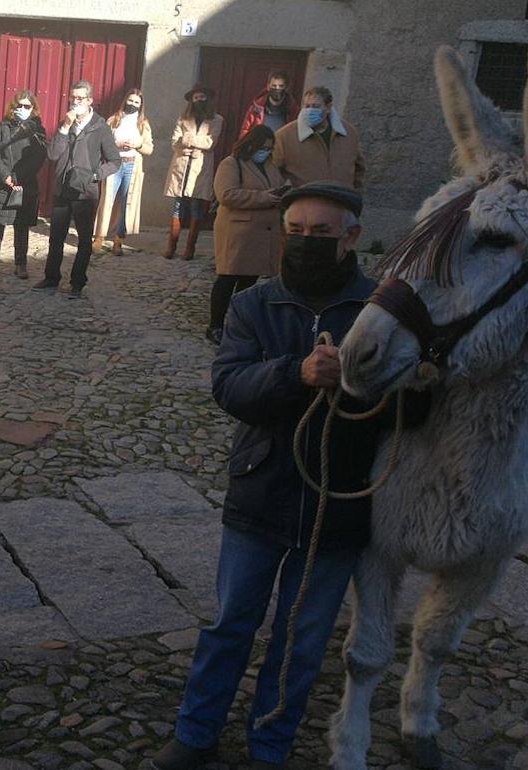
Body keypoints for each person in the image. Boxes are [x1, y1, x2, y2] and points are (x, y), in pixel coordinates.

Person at [148, 183, 380, 770]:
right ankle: (195, 735)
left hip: (338, 504)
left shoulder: (379, 312)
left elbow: (413, 410)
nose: (304, 243)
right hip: (261, 490)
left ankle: (269, 745)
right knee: (230, 624)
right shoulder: (254, 304)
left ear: (350, 237)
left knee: (300, 643)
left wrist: (377, 382)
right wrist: (295, 373)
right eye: (296, 232)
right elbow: (229, 386)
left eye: (320, 234)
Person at [32, 80, 120, 299]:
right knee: (56, 237)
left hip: (85, 192)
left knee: (83, 240)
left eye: (79, 98)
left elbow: (114, 161)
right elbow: (52, 155)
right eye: (72, 98)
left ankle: (77, 282)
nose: (74, 102)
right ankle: (51, 277)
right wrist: (63, 128)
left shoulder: (100, 127)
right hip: (62, 189)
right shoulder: (66, 125)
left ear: (89, 101)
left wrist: (95, 175)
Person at [206, 126, 286, 346]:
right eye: (262, 147)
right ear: (251, 143)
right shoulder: (231, 164)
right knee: (227, 277)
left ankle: (238, 323)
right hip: (237, 231)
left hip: (261, 232)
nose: (265, 152)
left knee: (249, 281)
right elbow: (226, 194)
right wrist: (263, 198)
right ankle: (215, 325)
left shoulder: (270, 166)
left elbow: (277, 186)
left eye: (269, 149)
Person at [0, 89, 46, 279]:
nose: (23, 109)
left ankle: (20, 264)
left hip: (24, 184)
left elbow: (38, 158)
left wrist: (17, 178)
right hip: (2, 182)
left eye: (27, 106)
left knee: (21, 225)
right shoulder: (4, 126)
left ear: (33, 108)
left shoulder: (37, 131)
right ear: (13, 106)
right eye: (20, 105)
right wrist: (5, 175)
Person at [162, 84, 224, 260]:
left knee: (197, 208)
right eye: (196, 98)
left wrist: (188, 140)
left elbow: (210, 143)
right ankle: (171, 246)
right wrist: (188, 146)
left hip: (200, 168)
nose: (199, 101)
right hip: (182, 164)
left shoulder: (217, 120)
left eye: (202, 97)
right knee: (177, 207)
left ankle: (190, 248)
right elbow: (175, 142)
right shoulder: (183, 118)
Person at [93, 87, 154, 256]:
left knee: (126, 201)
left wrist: (138, 145)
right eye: (131, 100)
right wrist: (115, 146)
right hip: (115, 163)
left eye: (136, 102)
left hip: (132, 165)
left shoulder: (143, 124)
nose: (133, 104)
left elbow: (149, 148)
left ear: (140, 105)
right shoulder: (114, 119)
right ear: (125, 100)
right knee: (107, 200)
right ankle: (99, 236)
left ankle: (118, 239)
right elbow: (100, 142)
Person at [272, 86, 365, 191]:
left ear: (328, 107)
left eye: (316, 106)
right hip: (305, 203)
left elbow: (359, 169)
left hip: (341, 202)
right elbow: (273, 174)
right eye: (307, 106)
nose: (310, 111)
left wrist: (355, 194)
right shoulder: (285, 136)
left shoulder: (348, 132)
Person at [237, 71, 294, 141]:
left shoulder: (293, 110)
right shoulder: (256, 108)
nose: (277, 89)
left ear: (286, 88)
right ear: (268, 87)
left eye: (281, 86)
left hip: (281, 149)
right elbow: (245, 130)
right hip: (259, 148)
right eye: (274, 85)